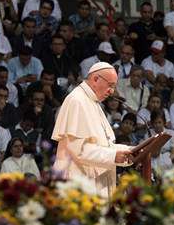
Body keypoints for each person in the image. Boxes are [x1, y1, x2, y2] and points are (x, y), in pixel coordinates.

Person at [51, 62, 134, 198]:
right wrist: (114, 156)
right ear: (96, 79)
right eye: (110, 85)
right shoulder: (77, 100)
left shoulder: (92, 102)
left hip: (92, 182)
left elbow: (104, 145)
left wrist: (130, 150)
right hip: (76, 183)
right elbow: (79, 150)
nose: (112, 91)